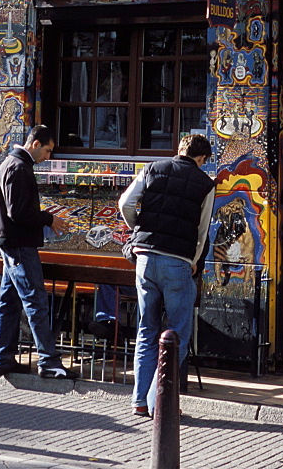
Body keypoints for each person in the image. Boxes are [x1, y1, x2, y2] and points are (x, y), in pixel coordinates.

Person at [119, 133, 215, 416]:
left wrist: (140, 231)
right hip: (178, 261)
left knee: (146, 330)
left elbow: (125, 203)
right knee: (178, 334)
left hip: (145, 259)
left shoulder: (151, 168)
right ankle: (157, 402)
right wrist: (195, 260)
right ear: (202, 159)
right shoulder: (205, 184)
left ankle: (139, 400)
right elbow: (202, 229)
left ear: (179, 150)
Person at [0, 124, 78, 379]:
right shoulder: (19, 168)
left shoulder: (10, 163)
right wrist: (48, 219)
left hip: (10, 242)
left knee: (9, 302)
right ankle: (49, 361)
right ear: (35, 143)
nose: (48, 157)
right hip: (19, 243)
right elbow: (18, 212)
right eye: (48, 150)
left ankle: (3, 358)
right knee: (35, 300)